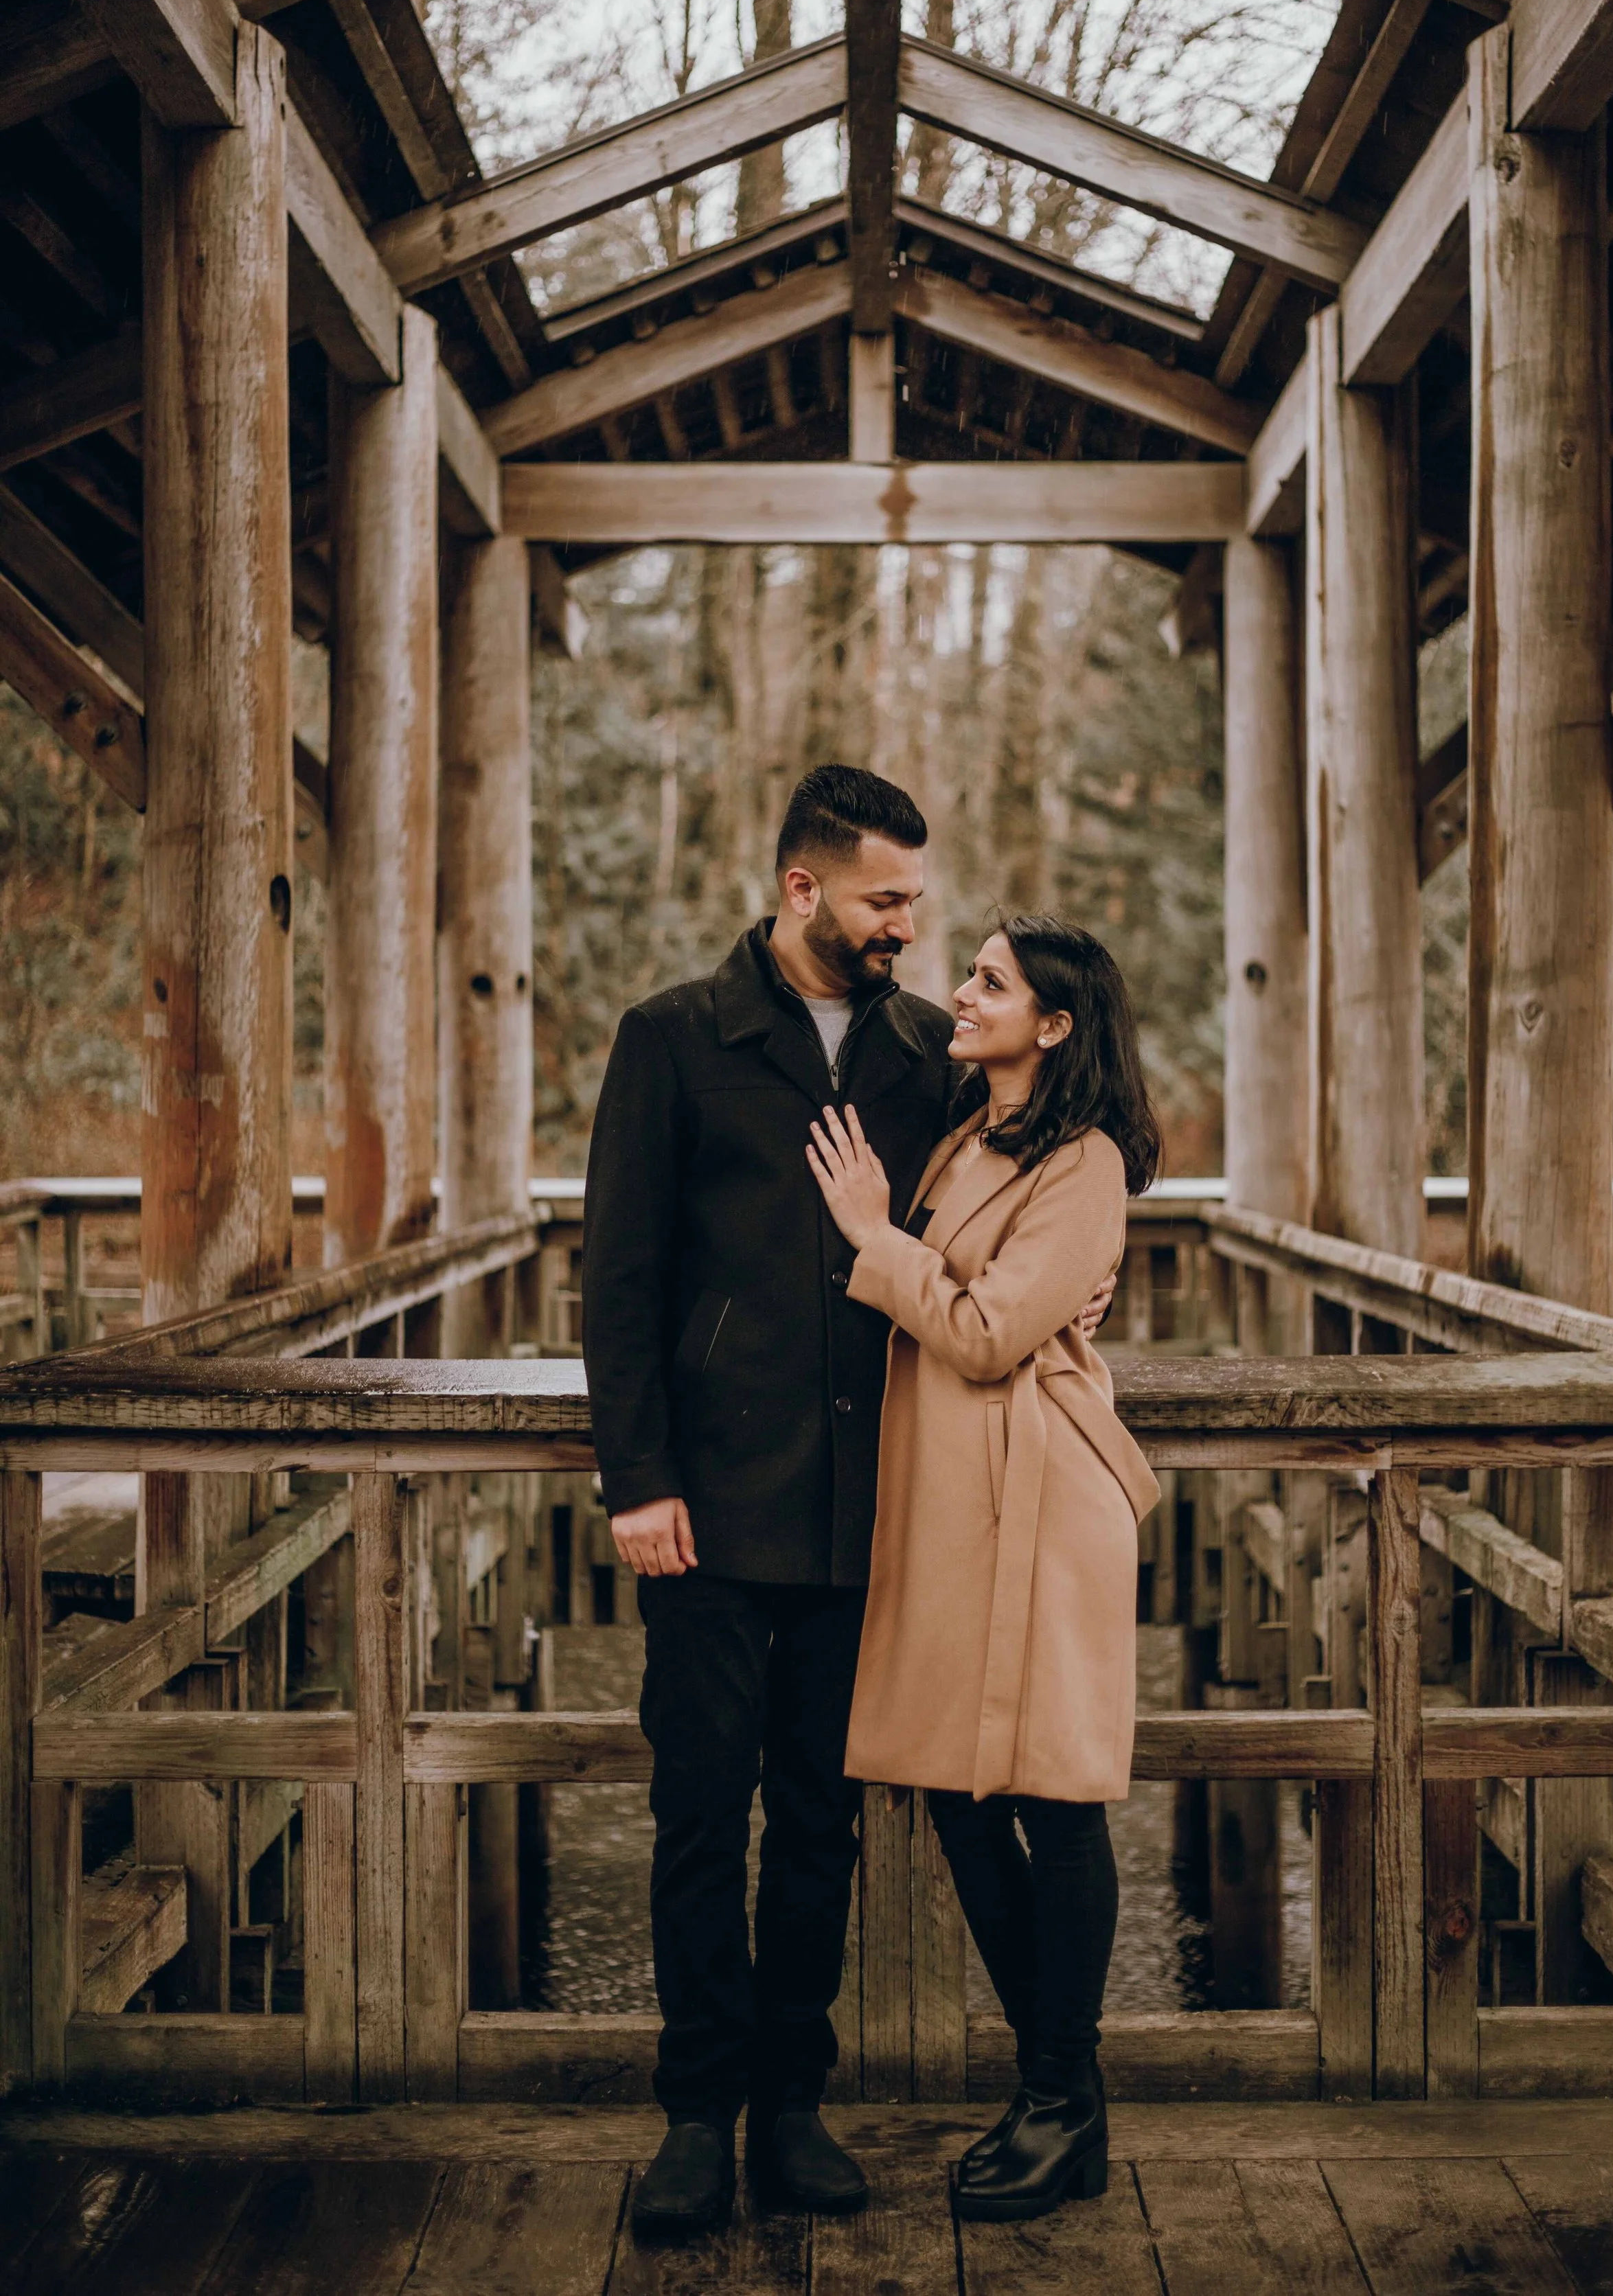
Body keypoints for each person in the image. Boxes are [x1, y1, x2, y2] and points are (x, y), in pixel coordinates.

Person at [582, 767, 954, 2239]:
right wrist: (639, 1478)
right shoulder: (673, 1039)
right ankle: (692, 2114)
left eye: (915, 904)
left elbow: (1079, 1132)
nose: (903, 929)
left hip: (870, 1511)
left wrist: (1091, 1234)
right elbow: (617, 1277)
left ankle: (792, 2104)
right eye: (882, 901)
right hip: (708, 1514)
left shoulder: (927, 1052)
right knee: (694, 1815)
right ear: (801, 888)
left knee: (819, 1822)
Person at [805, 914, 1162, 2224]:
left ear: (1054, 1025)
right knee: (960, 1795)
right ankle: (1060, 2086)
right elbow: (983, 1301)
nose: (964, 989)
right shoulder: (971, 1130)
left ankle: (1062, 2099)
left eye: (993, 981)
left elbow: (996, 1330)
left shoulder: (1086, 1162)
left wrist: (867, 1232)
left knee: (1058, 1799)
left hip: (1044, 1505)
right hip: (957, 1507)